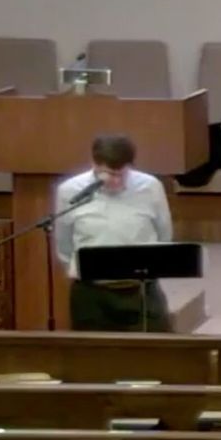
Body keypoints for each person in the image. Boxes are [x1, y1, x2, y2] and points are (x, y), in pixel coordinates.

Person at [54, 134, 174, 332]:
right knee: (92, 350)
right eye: (109, 174)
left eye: (122, 174)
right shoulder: (70, 191)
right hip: (91, 293)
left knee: (156, 348)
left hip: (141, 289)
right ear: (94, 164)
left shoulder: (150, 187)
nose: (116, 181)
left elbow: (164, 234)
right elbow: (64, 244)